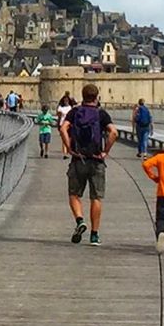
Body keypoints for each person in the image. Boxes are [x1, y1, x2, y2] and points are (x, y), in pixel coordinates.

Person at [59, 83, 118, 246]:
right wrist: (106, 151)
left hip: (78, 159)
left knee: (74, 195)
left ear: (83, 96)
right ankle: (94, 234)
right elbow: (114, 132)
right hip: (96, 160)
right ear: (97, 96)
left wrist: (69, 148)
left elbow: (63, 128)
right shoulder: (101, 114)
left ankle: (79, 221)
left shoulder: (75, 112)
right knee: (96, 197)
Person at [56, 92, 75, 158]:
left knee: (69, 138)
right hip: (62, 124)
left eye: (67, 100)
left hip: (69, 125)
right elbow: (58, 116)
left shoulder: (70, 107)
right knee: (64, 138)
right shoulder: (60, 107)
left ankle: (67, 150)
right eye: (65, 100)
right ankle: (65, 153)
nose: (66, 101)